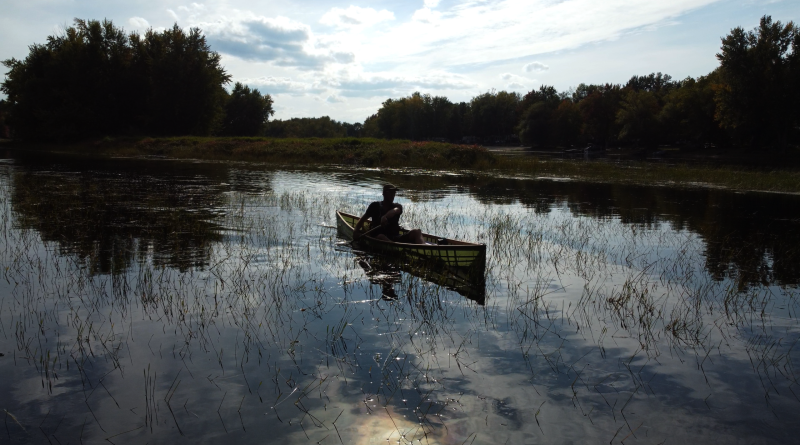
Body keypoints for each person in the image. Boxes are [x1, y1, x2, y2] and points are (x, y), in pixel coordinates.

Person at [353, 184, 425, 244]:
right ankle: (397, 248)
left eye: (394, 193)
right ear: (384, 193)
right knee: (381, 236)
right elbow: (362, 220)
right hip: (378, 237)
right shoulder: (374, 206)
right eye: (390, 193)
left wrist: (385, 216)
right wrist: (356, 231)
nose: (393, 195)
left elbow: (395, 211)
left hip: (395, 237)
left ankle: (423, 248)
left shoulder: (397, 206)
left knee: (417, 231)